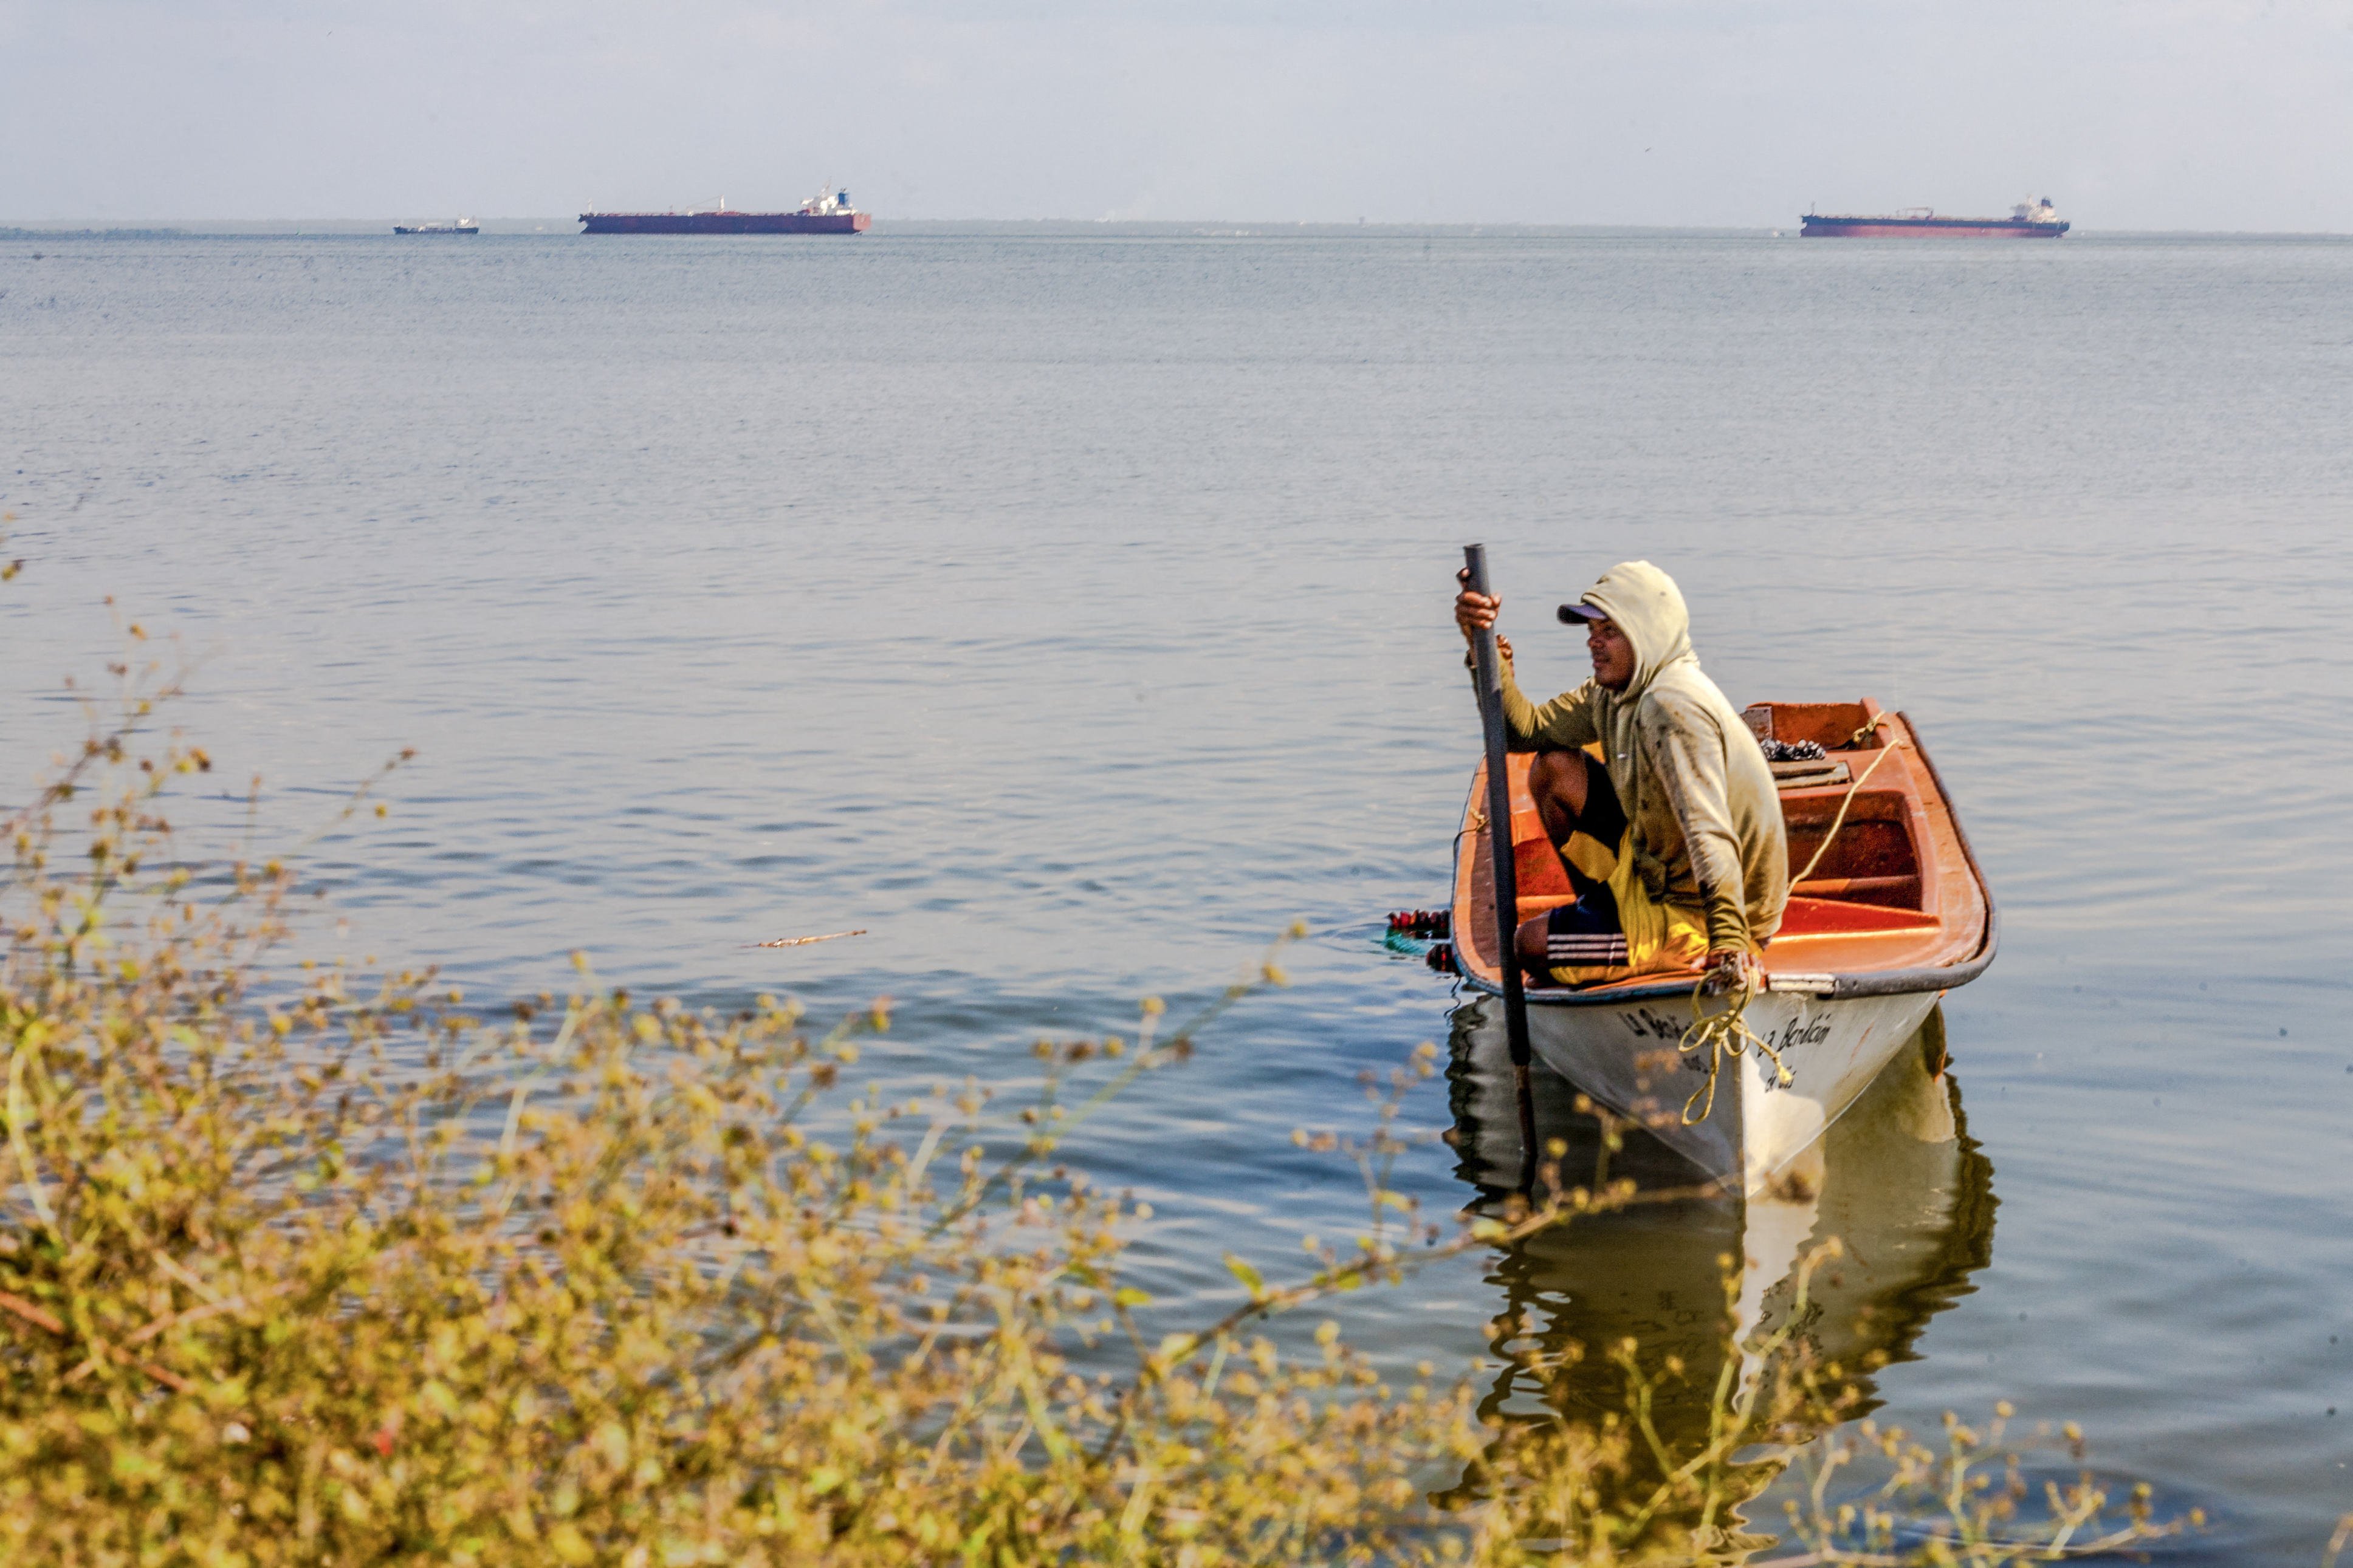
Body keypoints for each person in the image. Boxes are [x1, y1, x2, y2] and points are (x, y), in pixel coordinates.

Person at [1454, 560, 1786, 991]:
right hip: (1656, 872)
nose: (1594, 644)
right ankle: (1603, 914)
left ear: (1645, 634)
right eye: (1592, 632)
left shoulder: (1672, 705)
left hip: (1705, 912)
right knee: (1553, 766)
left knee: (1529, 945)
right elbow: (1522, 733)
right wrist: (1484, 649)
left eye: (1609, 632)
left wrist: (1728, 942)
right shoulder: (1613, 693)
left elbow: (1708, 829)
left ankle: (1667, 940)